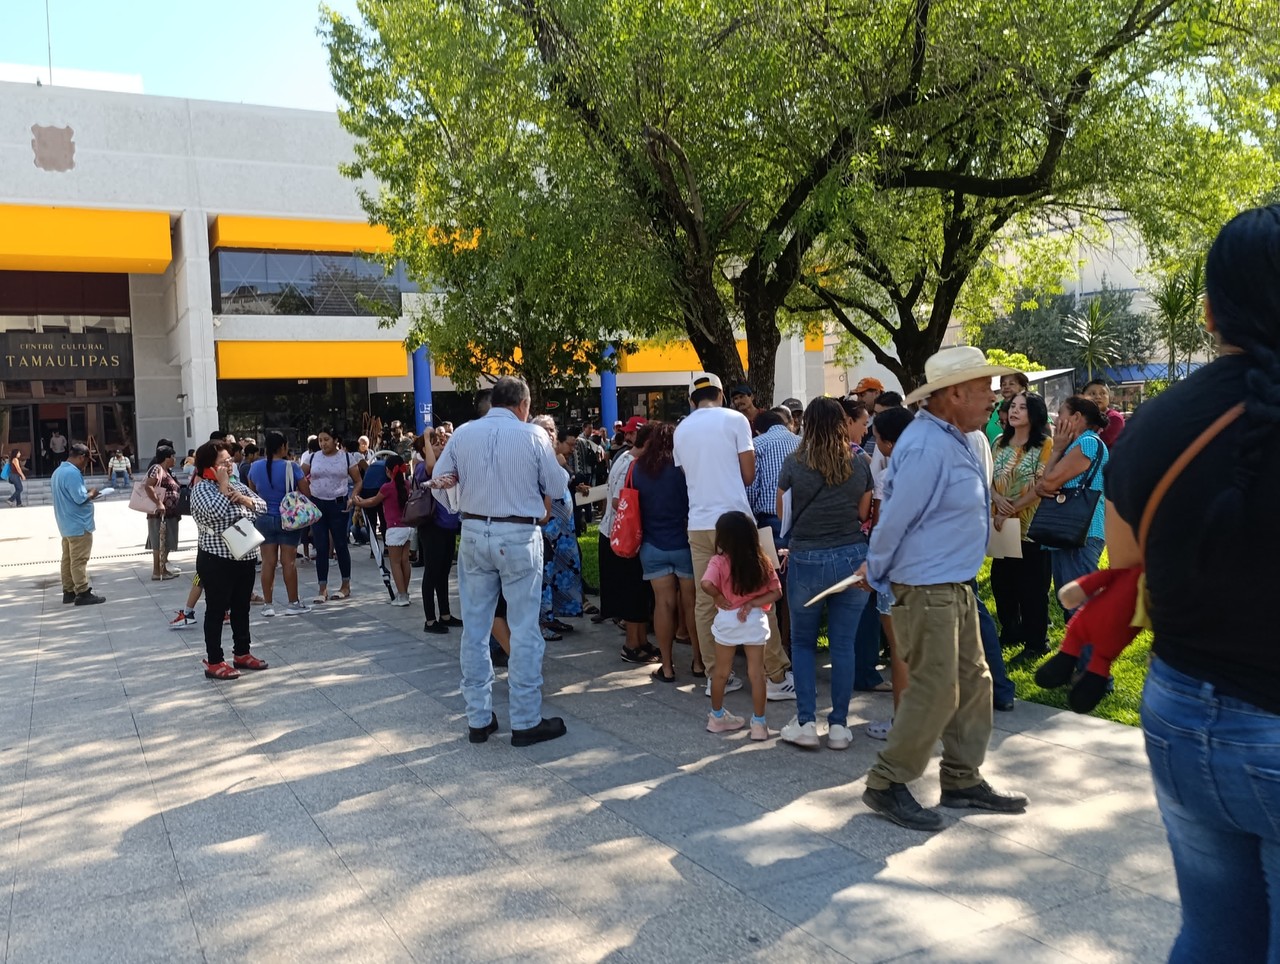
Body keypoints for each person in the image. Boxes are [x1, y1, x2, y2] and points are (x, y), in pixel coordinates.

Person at [1105, 205, 1280, 962]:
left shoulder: (1150, 424)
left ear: (1209, 312)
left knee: (1212, 935)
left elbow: (1123, 577)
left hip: (1178, 712)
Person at [856, 347, 1028, 832]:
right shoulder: (926, 444)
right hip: (927, 585)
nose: (995, 399)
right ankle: (887, 783)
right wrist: (877, 567)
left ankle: (961, 778)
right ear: (954, 394)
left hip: (954, 584)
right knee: (935, 688)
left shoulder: (958, 439)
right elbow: (895, 517)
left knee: (975, 683)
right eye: (985, 390)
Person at [431, 375, 568, 747]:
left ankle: (478, 717)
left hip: (474, 531)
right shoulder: (533, 436)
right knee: (524, 628)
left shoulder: (462, 433)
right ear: (523, 405)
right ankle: (525, 720)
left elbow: (438, 478)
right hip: (518, 534)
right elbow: (556, 488)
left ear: (493, 402)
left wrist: (462, 502)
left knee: (474, 630)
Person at [673, 373, 794, 700]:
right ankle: (776, 675)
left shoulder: (681, 430)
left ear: (691, 400)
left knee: (705, 600)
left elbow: (687, 475)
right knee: (757, 589)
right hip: (737, 519)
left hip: (698, 521)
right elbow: (748, 474)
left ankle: (718, 675)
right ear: (722, 394)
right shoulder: (736, 420)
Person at [777, 397, 875, 750]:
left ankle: (805, 721)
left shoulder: (793, 463)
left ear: (807, 425)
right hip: (852, 556)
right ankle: (838, 726)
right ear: (839, 423)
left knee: (802, 643)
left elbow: (782, 513)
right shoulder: (860, 462)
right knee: (843, 645)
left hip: (806, 558)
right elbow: (864, 513)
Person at [189, 441, 269, 680]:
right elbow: (214, 514)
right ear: (209, 467)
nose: (229, 466)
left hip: (244, 554)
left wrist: (244, 500)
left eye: (230, 461)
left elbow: (263, 506)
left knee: (241, 607)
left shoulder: (238, 484)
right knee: (216, 609)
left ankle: (242, 652)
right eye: (223, 463)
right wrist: (223, 487)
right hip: (216, 558)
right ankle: (214, 660)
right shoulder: (201, 489)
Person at [701, 511, 782, 741]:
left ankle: (717, 716)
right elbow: (776, 592)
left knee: (721, 672)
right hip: (755, 619)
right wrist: (752, 603)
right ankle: (759, 723)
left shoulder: (718, 561)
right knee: (757, 674)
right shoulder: (762, 560)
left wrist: (717, 596)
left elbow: (706, 583)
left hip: (727, 618)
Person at [989, 393, 1054, 664]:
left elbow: (1042, 486)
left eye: (1022, 407)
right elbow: (987, 477)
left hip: (1031, 526)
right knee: (1002, 584)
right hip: (1001, 525)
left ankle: (1037, 642)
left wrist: (1011, 508)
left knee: (1032, 588)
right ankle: (1011, 631)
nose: (1014, 411)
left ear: (1035, 413)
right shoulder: (998, 443)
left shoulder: (1045, 445)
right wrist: (996, 500)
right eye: (1012, 406)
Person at [863, 405, 916, 741]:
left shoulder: (890, 476)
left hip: (898, 570)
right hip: (936, 570)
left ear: (885, 442)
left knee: (901, 650)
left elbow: (882, 526)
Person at [633, 421, 698, 679]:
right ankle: (698, 662)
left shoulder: (638, 468)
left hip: (651, 544)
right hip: (683, 542)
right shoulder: (683, 469)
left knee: (663, 604)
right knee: (691, 604)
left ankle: (668, 666)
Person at [1035, 396, 1109, 621]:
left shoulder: (1087, 443)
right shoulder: (1075, 445)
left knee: (1082, 605)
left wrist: (1056, 450)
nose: (1056, 420)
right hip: (1068, 532)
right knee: (1071, 601)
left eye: (1061, 413)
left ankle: (1090, 654)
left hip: (1082, 532)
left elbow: (1047, 483)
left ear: (1076, 417)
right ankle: (1079, 654)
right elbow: (1043, 484)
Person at [597, 423, 657, 665]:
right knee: (633, 592)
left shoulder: (625, 458)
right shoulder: (631, 463)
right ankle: (632, 644)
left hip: (617, 536)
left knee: (639, 592)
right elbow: (618, 502)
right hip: (623, 538)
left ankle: (641, 640)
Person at [245, 431, 312, 617]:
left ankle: (268, 605)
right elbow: (306, 493)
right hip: (287, 518)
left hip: (263, 518)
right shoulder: (292, 467)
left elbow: (252, 494)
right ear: (282, 447)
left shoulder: (255, 467)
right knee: (288, 562)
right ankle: (293, 603)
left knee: (267, 562)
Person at [302, 428, 362, 603]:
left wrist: (352, 498)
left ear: (335, 440)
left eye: (326, 439)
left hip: (339, 504)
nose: (323, 443)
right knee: (321, 546)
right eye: (320, 440)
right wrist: (306, 494)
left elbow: (358, 480)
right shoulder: (312, 457)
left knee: (341, 544)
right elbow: (300, 475)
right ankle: (322, 588)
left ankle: (345, 585)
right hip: (318, 504)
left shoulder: (346, 457)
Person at [413, 435, 461, 634]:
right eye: (434, 444)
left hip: (448, 526)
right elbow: (431, 468)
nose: (440, 446)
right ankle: (430, 620)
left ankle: (445, 615)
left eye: (441, 443)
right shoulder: (423, 467)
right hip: (432, 526)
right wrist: (425, 436)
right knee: (432, 573)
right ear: (425, 449)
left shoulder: (446, 467)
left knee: (443, 573)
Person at [352, 454, 414, 606]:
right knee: (405, 561)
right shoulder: (407, 484)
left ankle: (401, 595)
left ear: (387, 471)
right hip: (408, 527)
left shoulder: (387, 487)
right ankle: (405, 593)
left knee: (395, 563)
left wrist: (359, 501)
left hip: (394, 529)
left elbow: (373, 501)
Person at [52, 442, 104, 606]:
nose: (85, 465)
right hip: (78, 524)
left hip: (65, 523)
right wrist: (92, 493)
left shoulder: (58, 471)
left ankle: (68, 591)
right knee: (79, 560)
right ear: (81, 457)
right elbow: (80, 498)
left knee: (67, 559)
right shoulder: (72, 473)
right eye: (86, 461)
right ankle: (82, 591)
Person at [145, 446, 182, 581]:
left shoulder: (168, 471)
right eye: (173, 456)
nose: (175, 459)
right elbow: (148, 486)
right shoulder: (157, 468)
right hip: (159, 513)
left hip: (170, 514)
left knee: (166, 541)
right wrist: (158, 503)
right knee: (158, 541)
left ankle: (163, 569)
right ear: (167, 458)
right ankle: (157, 570)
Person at [985, 371, 1030, 442]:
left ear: (1022, 388)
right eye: (1003, 384)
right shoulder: (994, 408)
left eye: (1011, 384)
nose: (1006, 387)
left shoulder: (1031, 406)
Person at [1081, 379, 1126, 448]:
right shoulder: (1081, 418)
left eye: (1102, 393)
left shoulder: (1114, 418)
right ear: (1082, 397)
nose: (1098, 397)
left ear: (1109, 397)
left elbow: (1094, 447)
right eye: (1092, 393)